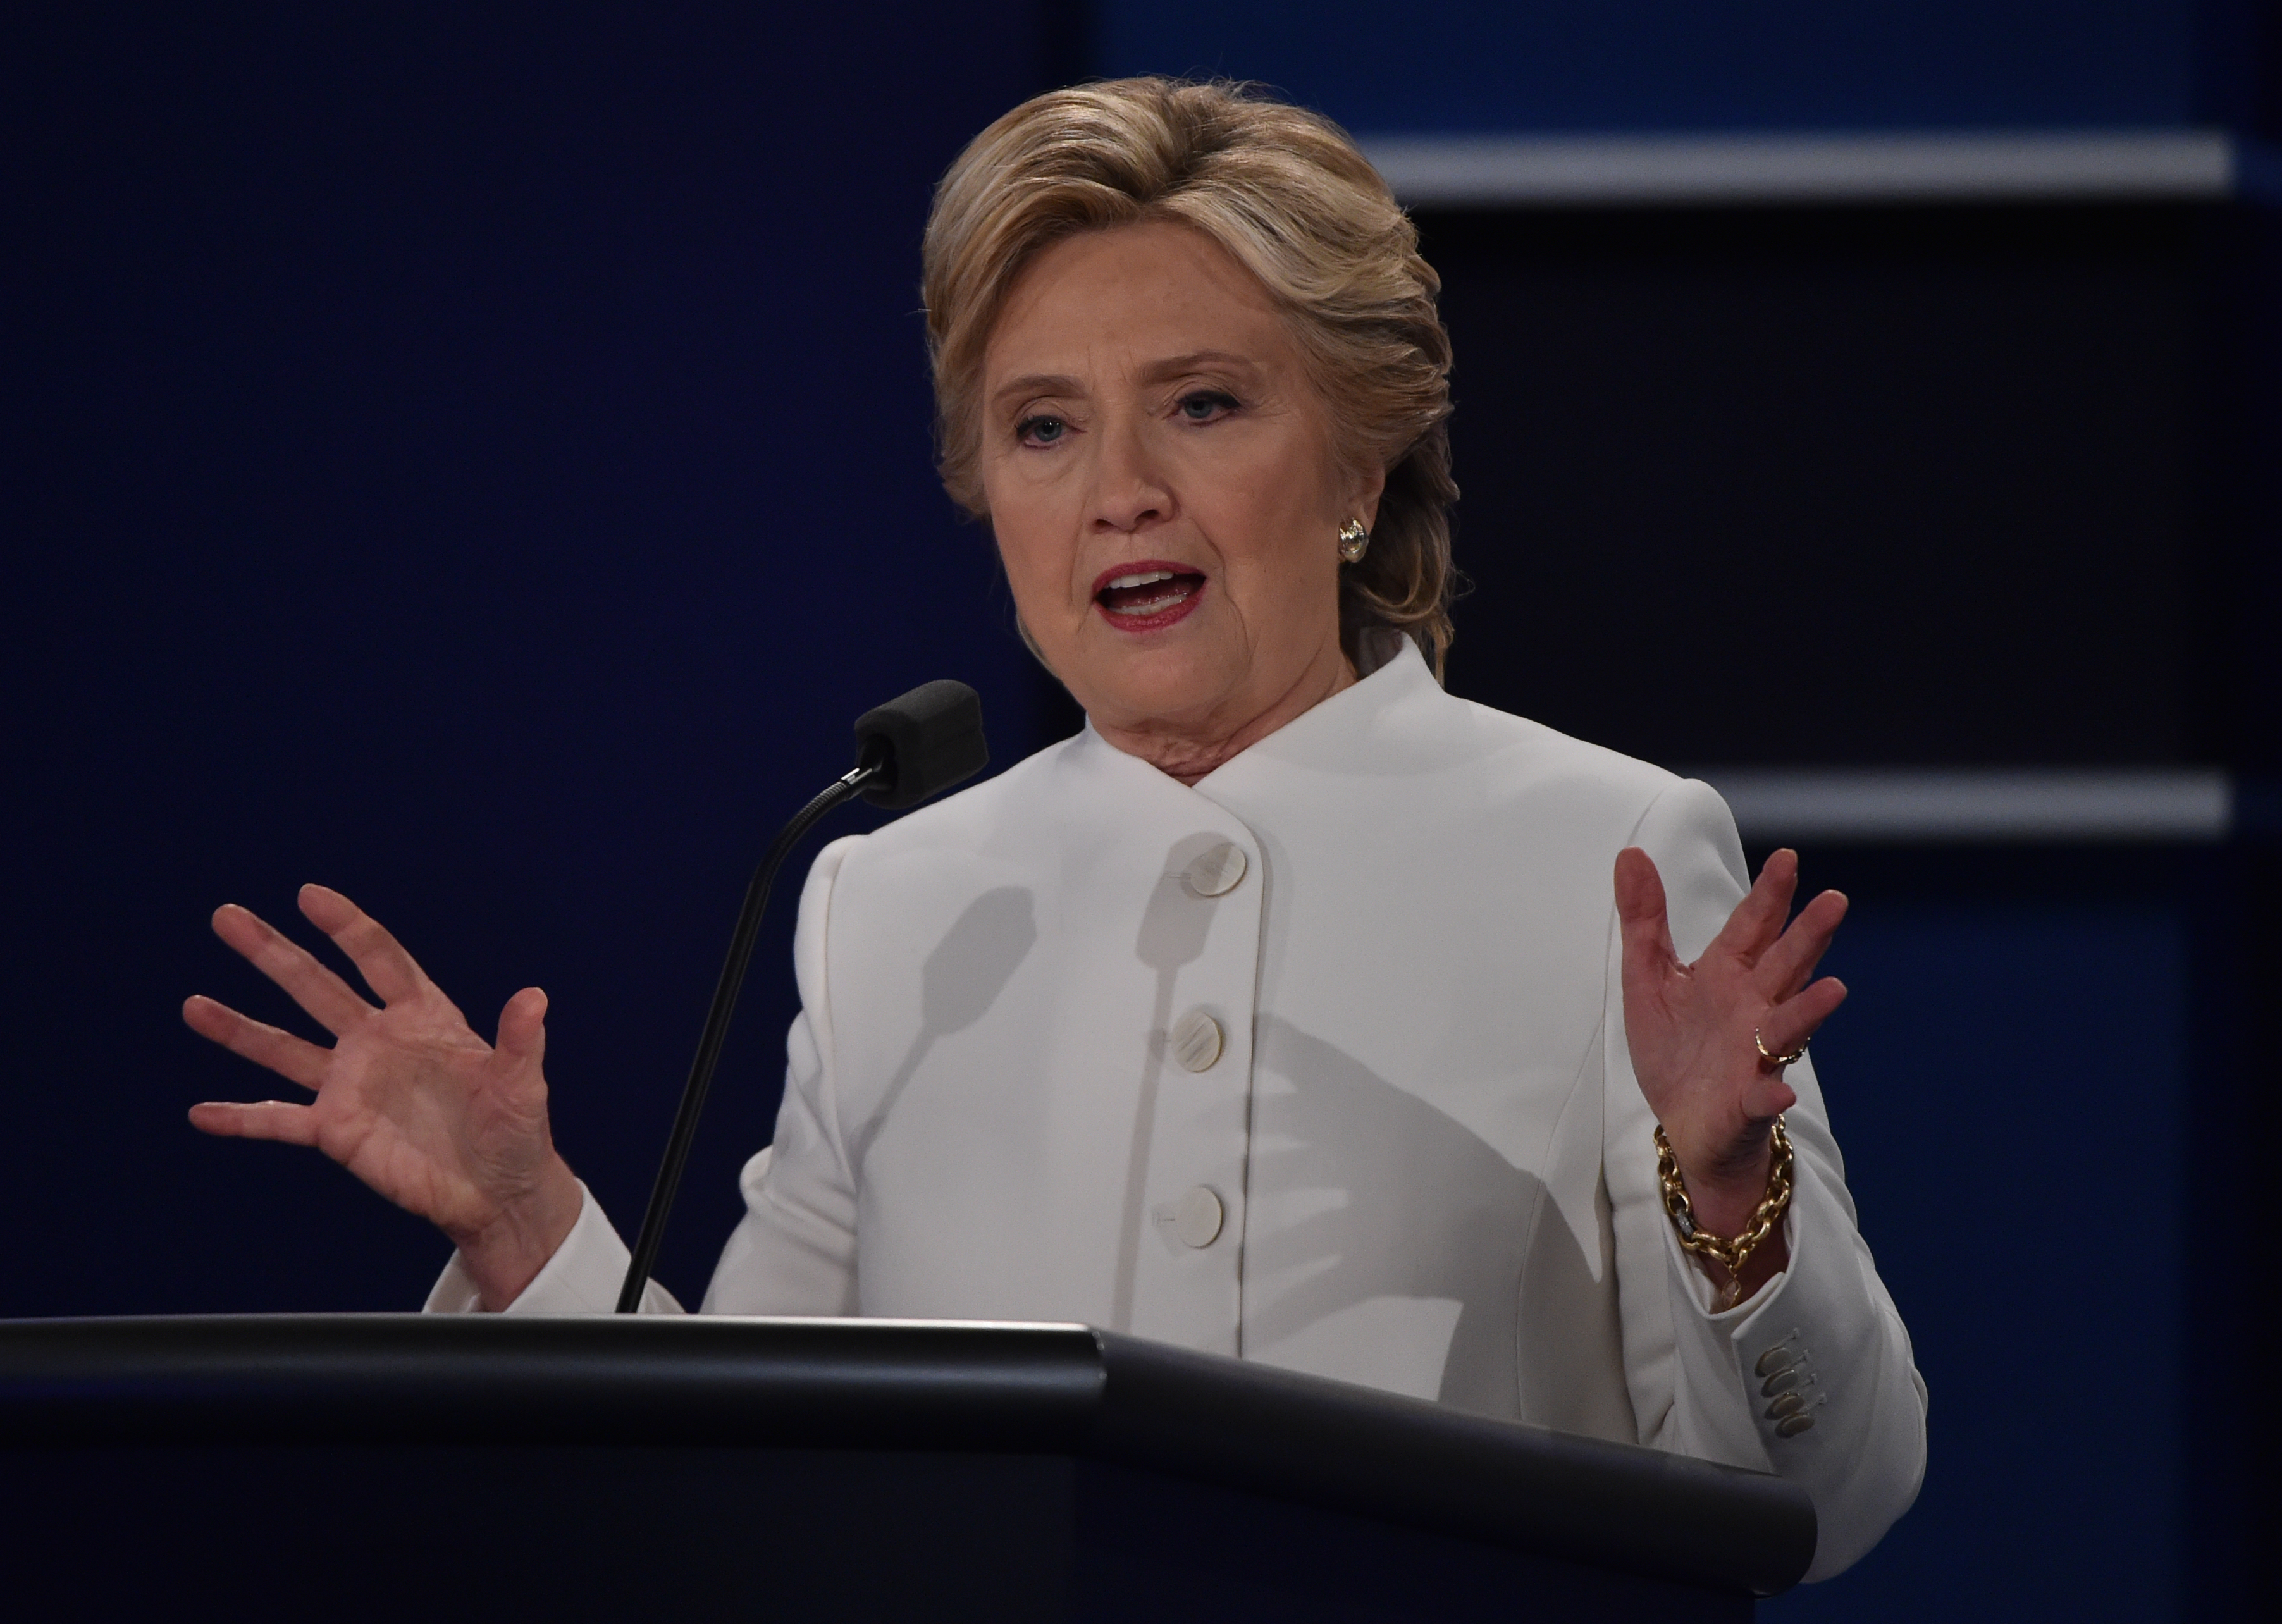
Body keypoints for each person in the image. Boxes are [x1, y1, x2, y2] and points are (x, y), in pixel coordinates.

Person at [183, 78, 1925, 1577]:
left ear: (1361, 462)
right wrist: (530, 1232)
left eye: (1206, 402)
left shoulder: (1605, 854)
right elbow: (744, 1490)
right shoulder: (898, 902)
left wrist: (1737, 1213)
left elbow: (1830, 1507)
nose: (1118, 493)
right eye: (1042, 428)